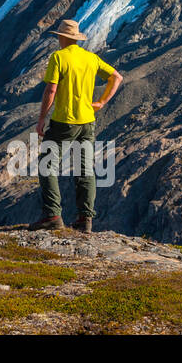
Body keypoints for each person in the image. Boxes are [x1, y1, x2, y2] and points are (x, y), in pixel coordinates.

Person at [29, 18, 123, 233]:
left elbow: (51, 90)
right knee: (85, 169)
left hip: (64, 121)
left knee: (47, 166)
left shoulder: (59, 58)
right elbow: (117, 77)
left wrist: (41, 118)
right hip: (87, 121)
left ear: (62, 37)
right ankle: (85, 219)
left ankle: (52, 215)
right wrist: (101, 102)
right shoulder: (91, 58)